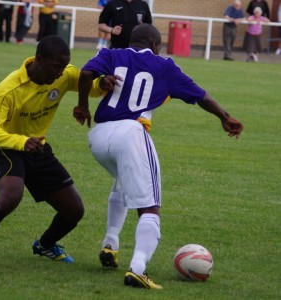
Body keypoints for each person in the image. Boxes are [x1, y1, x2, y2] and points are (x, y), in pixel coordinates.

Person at [74, 23, 243, 289]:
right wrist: (225, 116)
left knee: (121, 181)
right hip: (131, 133)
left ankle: (110, 243)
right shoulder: (165, 65)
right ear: (156, 45)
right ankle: (137, 269)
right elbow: (201, 96)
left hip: (98, 136)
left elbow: (85, 74)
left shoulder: (112, 54)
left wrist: (83, 106)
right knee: (150, 207)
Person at [0, 35, 118, 273]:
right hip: (6, 147)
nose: (60, 73)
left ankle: (45, 245)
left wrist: (102, 85)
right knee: (10, 196)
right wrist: (21, 142)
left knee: (74, 210)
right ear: (39, 59)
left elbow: (84, 82)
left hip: (37, 148)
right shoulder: (9, 89)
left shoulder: (63, 74)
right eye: (56, 67)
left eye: (63, 67)